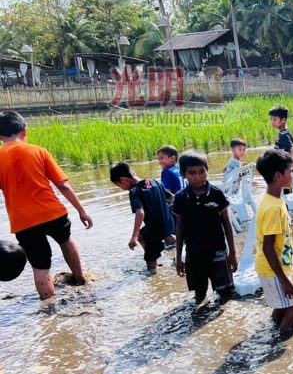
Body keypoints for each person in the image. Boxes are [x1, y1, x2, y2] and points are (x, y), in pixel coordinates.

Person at [0, 110, 93, 299]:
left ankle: (49, 309)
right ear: (24, 131)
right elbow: (63, 185)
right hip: (52, 212)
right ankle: (79, 279)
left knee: (40, 265)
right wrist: (82, 211)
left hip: (23, 221)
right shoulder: (38, 151)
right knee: (66, 241)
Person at [173, 150, 237, 304]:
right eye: (192, 173)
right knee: (199, 294)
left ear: (207, 171)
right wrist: (179, 257)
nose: (197, 177)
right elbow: (180, 228)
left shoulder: (216, 194)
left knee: (226, 294)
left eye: (202, 172)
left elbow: (227, 224)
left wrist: (232, 253)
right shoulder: (181, 198)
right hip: (194, 254)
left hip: (218, 252)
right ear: (183, 174)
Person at [255, 149, 293, 330]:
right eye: (290, 171)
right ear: (278, 175)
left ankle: (271, 332)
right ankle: (280, 348)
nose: (292, 175)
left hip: (275, 269)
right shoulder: (273, 208)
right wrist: (284, 281)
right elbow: (268, 248)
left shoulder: (274, 199)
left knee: (282, 309)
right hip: (273, 271)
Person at [110, 162, 176, 270]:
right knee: (144, 235)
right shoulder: (153, 181)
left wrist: (134, 236)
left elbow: (140, 212)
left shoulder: (134, 191)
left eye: (119, 185)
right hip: (169, 224)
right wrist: (164, 211)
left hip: (154, 230)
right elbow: (171, 197)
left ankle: (154, 271)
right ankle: (173, 252)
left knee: (149, 262)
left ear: (123, 180)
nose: (121, 188)